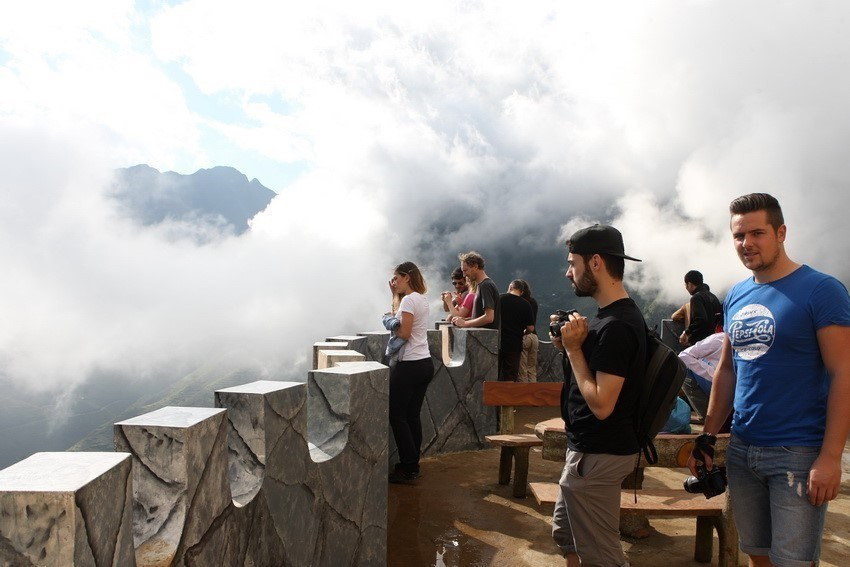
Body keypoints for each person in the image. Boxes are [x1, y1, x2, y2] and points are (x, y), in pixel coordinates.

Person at [688, 193, 850, 567]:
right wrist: (709, 437)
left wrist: (830, 457)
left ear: (781, 233)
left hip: (798, 451)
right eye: (739, 236)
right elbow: (727, 370)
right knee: (757, 555)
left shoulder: (822, 291)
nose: (747, 244)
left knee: (792, 562)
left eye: (757, 233)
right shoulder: (737, 295)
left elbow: (843, 373)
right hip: (743, 448)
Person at [550, 224, 646, 566]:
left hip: (599, 455)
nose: (567, 272)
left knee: (602, 557)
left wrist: (575, 350)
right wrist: (568, 347)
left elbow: (603, 405)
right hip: (587, 452)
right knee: (568, 539)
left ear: (595, 263)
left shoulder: (618, 326)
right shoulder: (609, 318)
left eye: (572, 263)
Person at [386, 261, 435, 484]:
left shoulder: (408, 299)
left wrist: (388, 321)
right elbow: (406, 320)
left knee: (397, 415)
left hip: (409, 365)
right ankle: (413, 463)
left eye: (396, 278)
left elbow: (404, 332)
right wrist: (394, 299)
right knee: (412, 415)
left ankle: (407, 466)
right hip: (424, 362)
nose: (393, 282)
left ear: (407, 277)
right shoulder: (421, 299)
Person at [678, 331, 724, 421]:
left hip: (726, 389)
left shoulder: (719, 339)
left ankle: (709, 418)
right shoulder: (719, 340)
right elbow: (683, 357)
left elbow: (683, 357)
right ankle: (709, 417)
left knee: (685, 369)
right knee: (684, 367)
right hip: (722, 386)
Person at [452, 252, 500, 330]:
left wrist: (465, 323)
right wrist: (467, 319)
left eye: (465, 270)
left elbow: (489, 317)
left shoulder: (486, 286)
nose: (464, 275)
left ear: (476, 267)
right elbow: (482, 315)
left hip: (486, 340)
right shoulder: (482, 285)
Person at [498, 282, 534, 381]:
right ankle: (508, 395)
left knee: (494, 371)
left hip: (497, 341)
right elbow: (531, 328)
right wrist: (523, 332)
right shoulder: (525, 304)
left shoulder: (499, 299)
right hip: (514, 343)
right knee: (510, 374)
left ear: (510, 287)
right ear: (521, 292)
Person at [678, 270, 722, 346]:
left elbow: (700, 319)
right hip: (716, 341)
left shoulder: (696, 298)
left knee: (684, 356)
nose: (686, 288)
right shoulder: (713, 297)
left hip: (702, 343)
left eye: (686, 285)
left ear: (689, 284)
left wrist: (686, 332)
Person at [513, 279, 540, 382]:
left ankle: (525, 396)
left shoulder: (519, 303)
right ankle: (533, 393)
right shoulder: (533, 302)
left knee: (522, 370)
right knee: (531, 369)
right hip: (534, 337)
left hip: (524, 336)